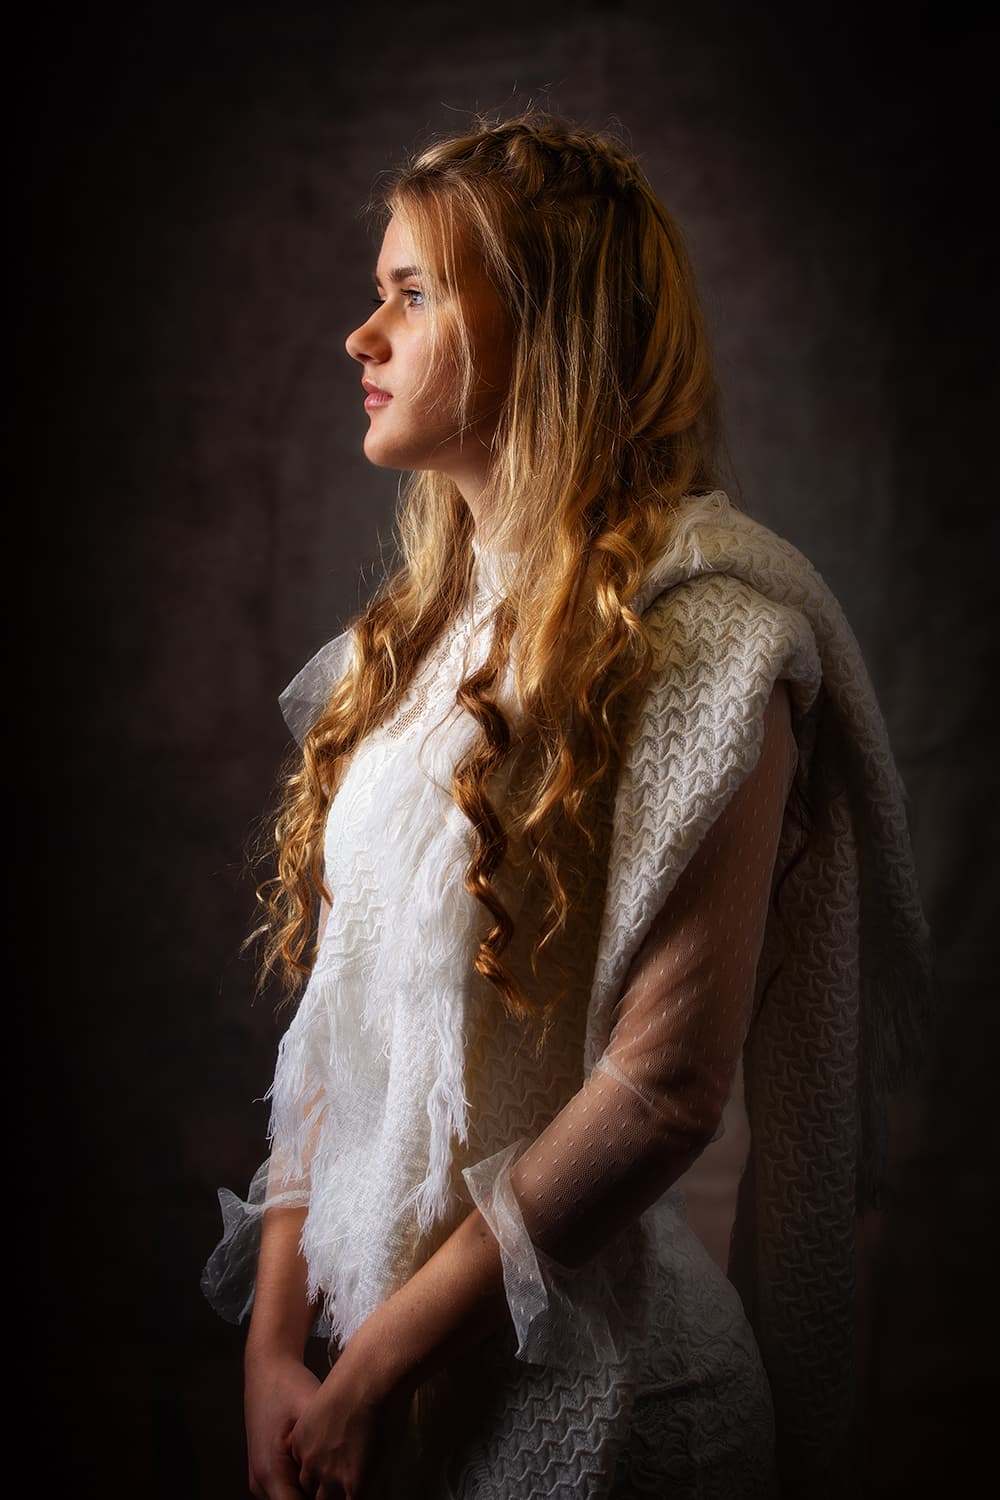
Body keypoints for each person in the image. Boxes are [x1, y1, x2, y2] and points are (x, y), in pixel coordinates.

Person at [202, 111, 932, 1500]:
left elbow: (660, 1094)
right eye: (378, 295)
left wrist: (373, 1369)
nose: (363, 337)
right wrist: (278, 1354)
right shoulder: (418, 645)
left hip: (614, 1429)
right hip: (380, 1392)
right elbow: (336, 1031)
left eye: (410, 295)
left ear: (542, 330)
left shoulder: (716, 647)